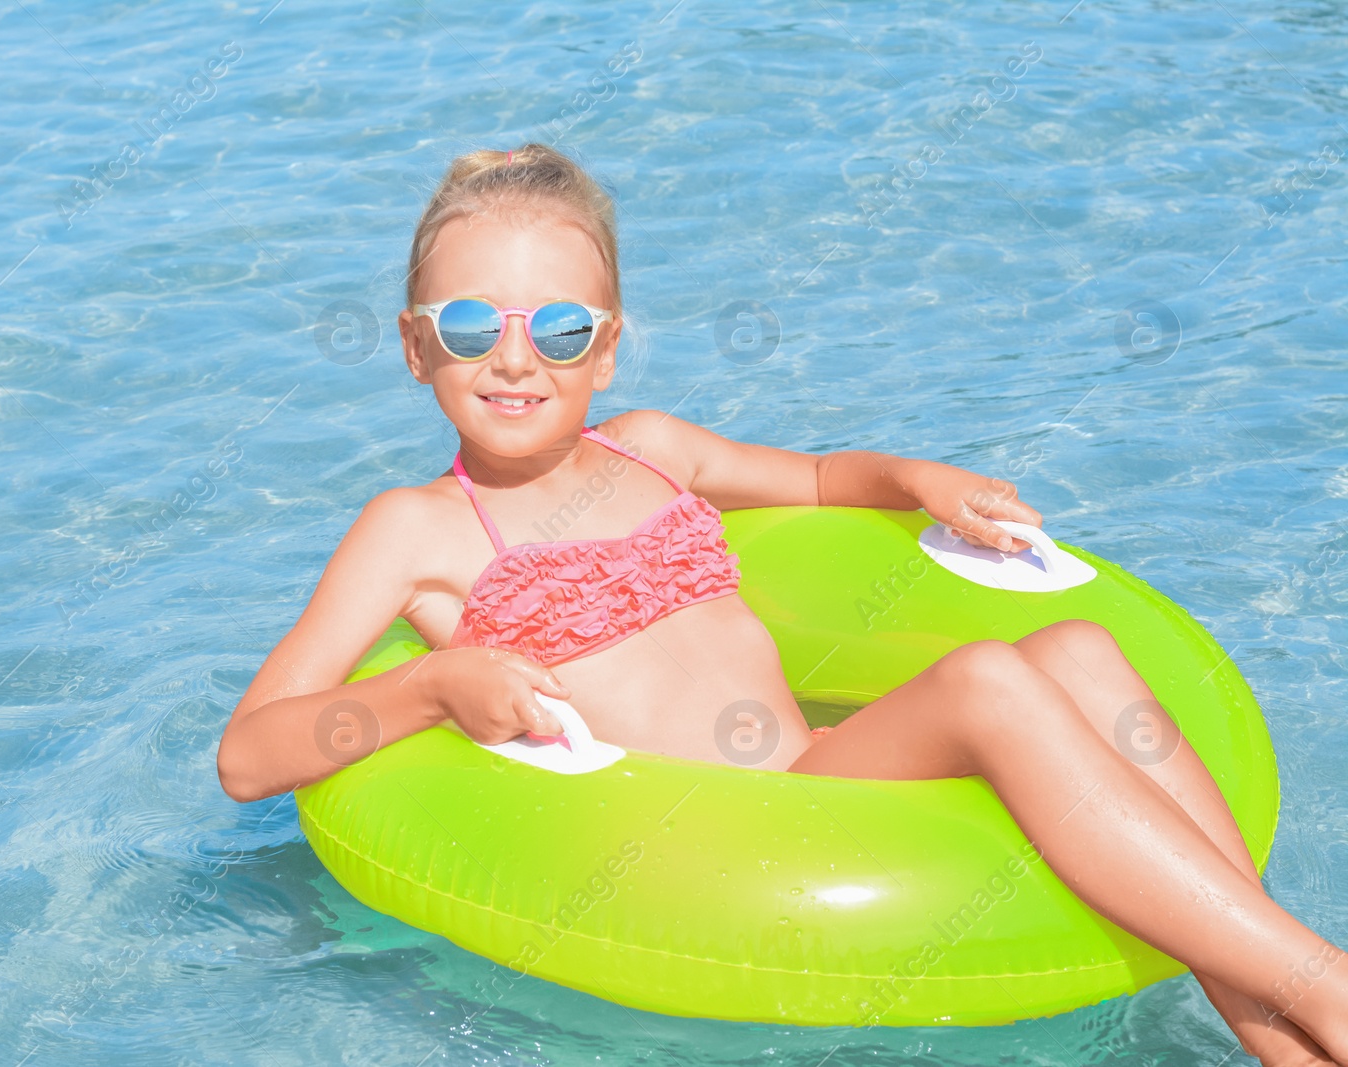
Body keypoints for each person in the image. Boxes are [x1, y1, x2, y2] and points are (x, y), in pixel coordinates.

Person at [217, 143, 1347, 1065]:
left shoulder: (654, 452)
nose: (515, 360)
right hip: (708, 835)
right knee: (990, 676)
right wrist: (427, 685)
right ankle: (1321, 984)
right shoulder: (412, 530)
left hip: (814, 771)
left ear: (606, 349)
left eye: (558, 328)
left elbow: (814, 478)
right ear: (417, 347)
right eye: (471, 326)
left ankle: (1278, 1031)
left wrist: (918, 481)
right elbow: (250, 754)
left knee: (1082, 648)